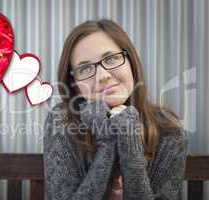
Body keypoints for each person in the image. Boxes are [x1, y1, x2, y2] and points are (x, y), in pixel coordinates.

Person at [43, 19, 188, 200]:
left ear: (131, 61)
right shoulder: (61, 120)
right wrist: (108, 140)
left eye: (111, 59)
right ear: (74, 84)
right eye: (85, 68)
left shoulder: (169, 131)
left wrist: (129, 137)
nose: (103, 76)